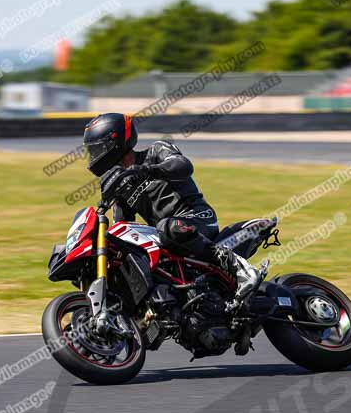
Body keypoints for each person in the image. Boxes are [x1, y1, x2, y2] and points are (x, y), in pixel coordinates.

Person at [83, 113, 263, 308]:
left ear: (114, 142)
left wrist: (147, 170)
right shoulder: (123, 187)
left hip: (196, 218)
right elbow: (123, 227)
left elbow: (183, 166)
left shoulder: (156, 151)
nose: (94, 155)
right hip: (167, 237)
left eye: (97, 149)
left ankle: (240, 268)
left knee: (168, 226)